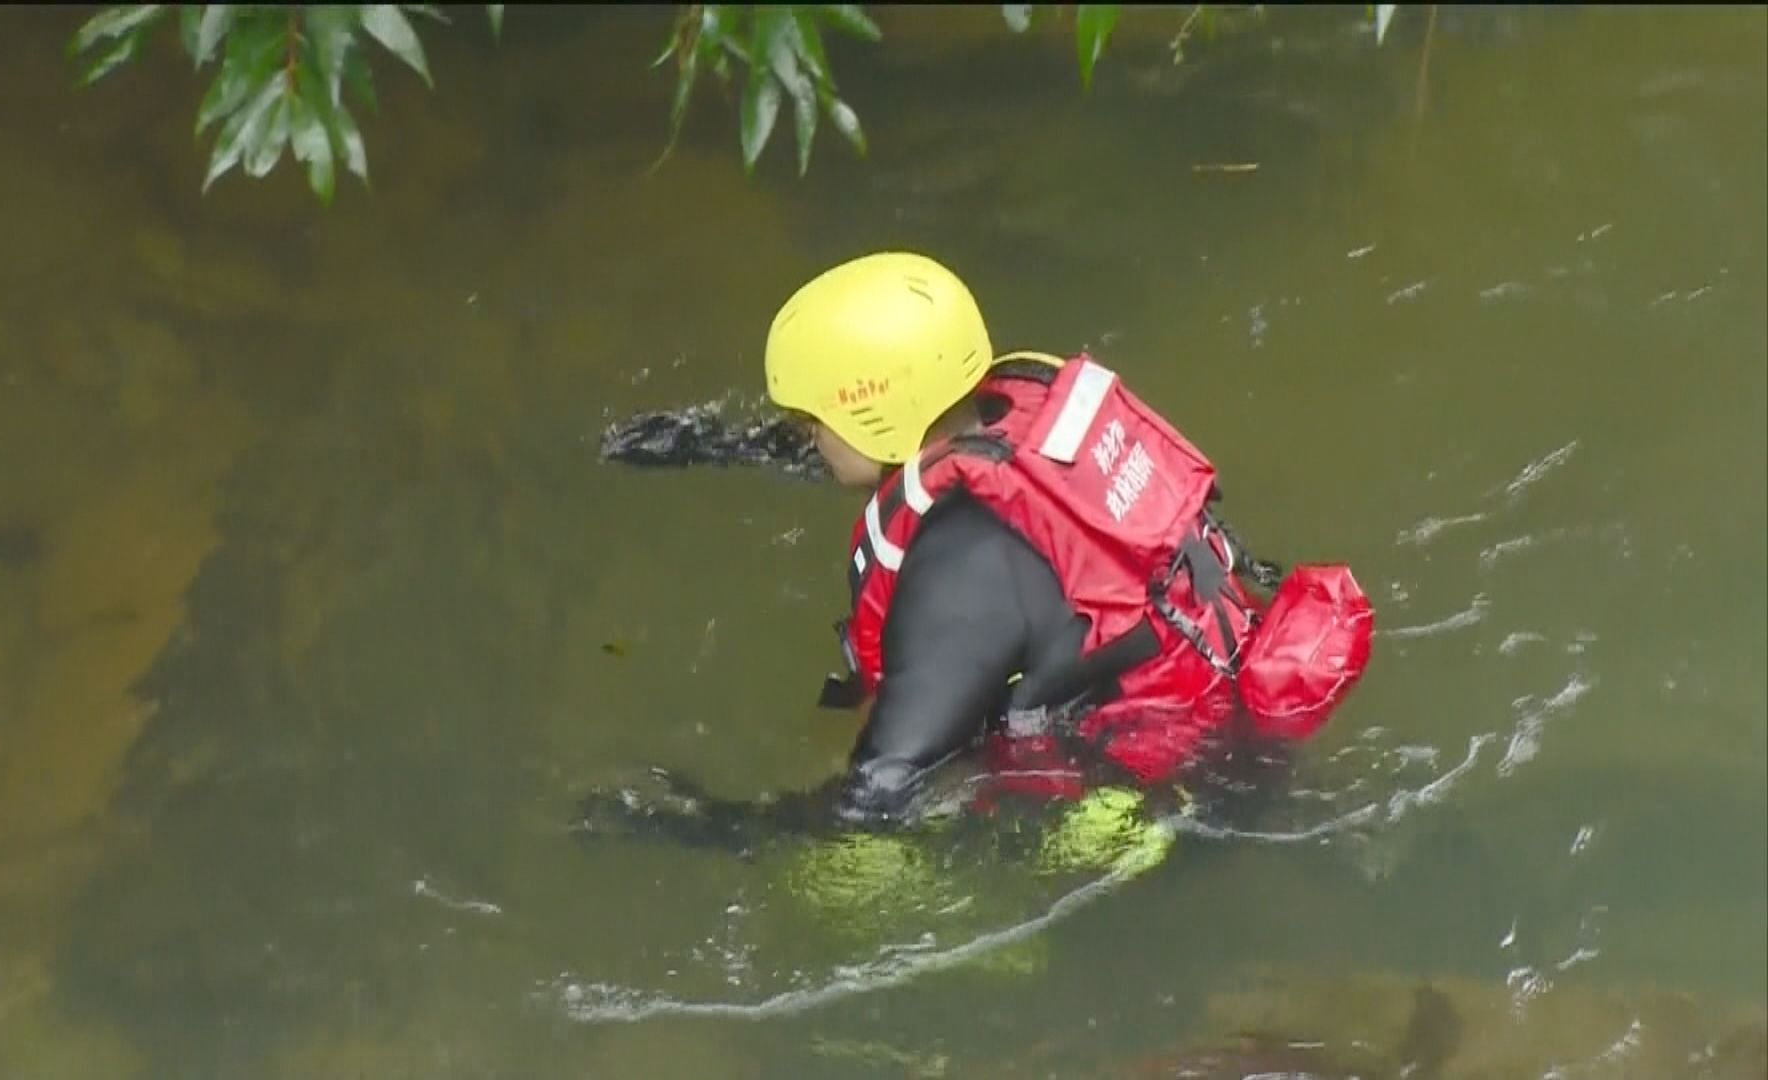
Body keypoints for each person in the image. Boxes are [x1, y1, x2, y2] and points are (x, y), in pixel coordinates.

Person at [581, 252, 1373, 869]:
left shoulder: (966, 560)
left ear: (873, 413)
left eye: (812, 420)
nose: (804, 434)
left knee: (853, 884)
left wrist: (699, 828)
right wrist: (713, 448)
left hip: (1167, 803)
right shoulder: (1008, 425)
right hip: (1220, 709)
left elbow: (884, 789)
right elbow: (895, 454)